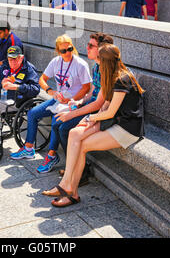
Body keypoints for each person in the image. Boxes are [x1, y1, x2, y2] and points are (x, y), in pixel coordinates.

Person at [43, 43, 145, 207]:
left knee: (82, 145)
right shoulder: (113, 75)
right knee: (75, 134)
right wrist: (90, 118)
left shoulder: (122, 79)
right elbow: (105, 104)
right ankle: (67, 186)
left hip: (127, 129)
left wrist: (90, 118)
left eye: (99, 61)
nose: (97, 65)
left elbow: (110, 112)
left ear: (106, 62)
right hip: (114, 121)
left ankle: (70, 190)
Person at [10, 34, 92, 173]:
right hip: (58, 99)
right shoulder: (56, 62)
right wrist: (50, 91)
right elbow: (42, 79)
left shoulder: (80, 64)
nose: (67, 53)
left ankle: (51, 156)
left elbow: (87, 87)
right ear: (57, 51)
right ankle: (29, 148)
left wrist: (71, 99)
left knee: (56, 119)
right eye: (63, 51)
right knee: (33, 113)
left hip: (74, 102)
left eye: (70, 49)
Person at [51, 32, 114, 181]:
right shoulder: (96, 67)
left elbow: (99, 104)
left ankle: (81, 172)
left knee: (65, 128)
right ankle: (72, 167)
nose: (87, 47)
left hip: (100, 111)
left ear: (101, 49)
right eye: (88, 44)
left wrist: (73, 113)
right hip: (90, 104)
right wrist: (79, 102)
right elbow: (92, 91)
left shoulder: (107, 70)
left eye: (91, 45)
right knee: (57, 123)